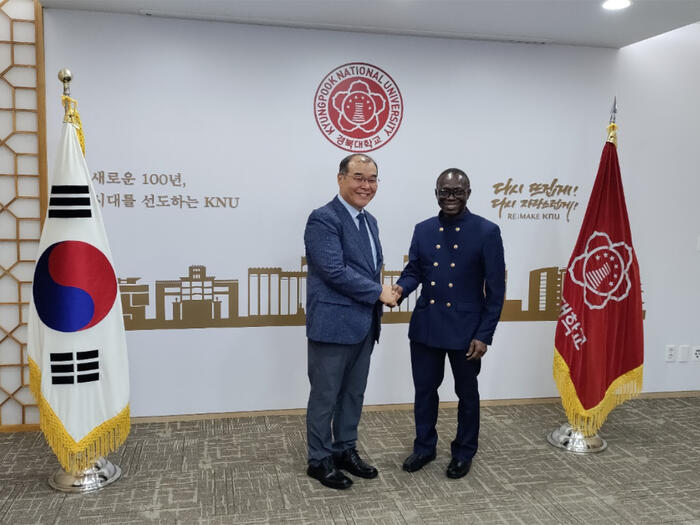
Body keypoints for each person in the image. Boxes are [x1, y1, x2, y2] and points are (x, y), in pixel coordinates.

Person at [393, 168, 505, 479]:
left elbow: (496, 291)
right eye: (445, 191)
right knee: (424, 391)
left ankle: (464, 451)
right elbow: (414, 270)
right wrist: (401, 289)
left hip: (467, 332)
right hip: (427, 326)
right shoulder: (423, 229)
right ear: (436, 193)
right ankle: (424, 447)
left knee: (467, 394)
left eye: (457, 191)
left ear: (469, 193)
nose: (451, 197)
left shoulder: (487, 231)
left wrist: (485, 334)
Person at [304, 153, 399, 490]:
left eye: (372, 179)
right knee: (325, 396)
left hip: (364, 324)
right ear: (341, 178)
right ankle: (319, 459)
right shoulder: (323, 219)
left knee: (353, 395)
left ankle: (345, 449)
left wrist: (385, 291)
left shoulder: (369, 221)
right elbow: (334, 271)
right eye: (358, 177)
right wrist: (378, 292)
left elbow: (366, 270)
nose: (366, 185)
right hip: (332, 324)